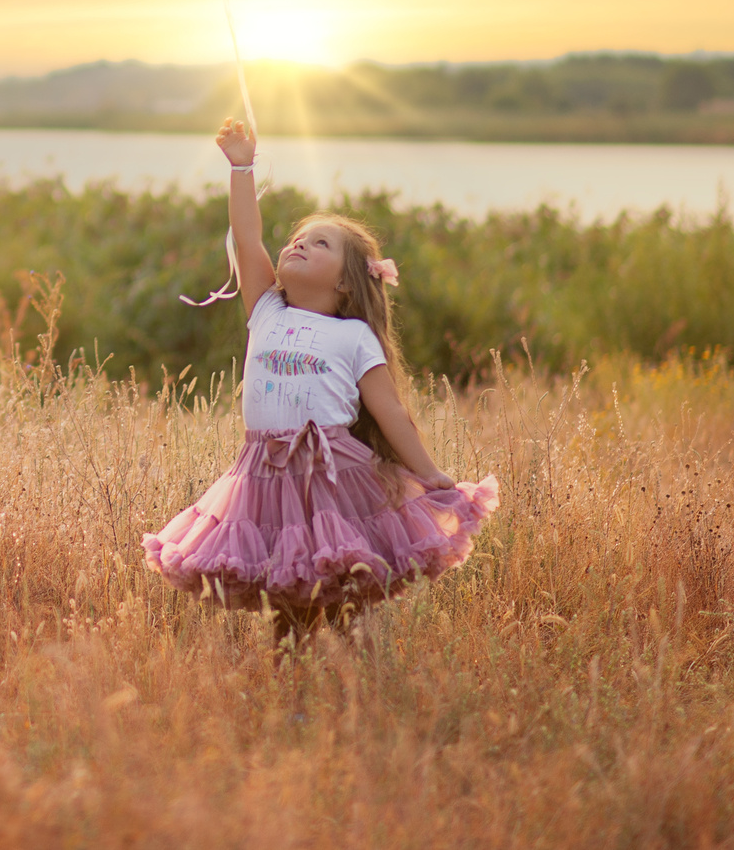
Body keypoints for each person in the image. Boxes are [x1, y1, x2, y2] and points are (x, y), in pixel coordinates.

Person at [144, 117, 499, 644]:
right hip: (264, 474)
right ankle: (294, 673)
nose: (300, 245)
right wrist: (242, 166)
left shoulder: (355, 336)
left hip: (333, 475)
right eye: (298, 239)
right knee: (286, 592)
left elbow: (390, 412)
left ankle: (344, 668)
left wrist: (427, 472)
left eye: (320, 244)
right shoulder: (265, 309)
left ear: (346, 282)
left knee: (339, 587)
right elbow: (247, 236)